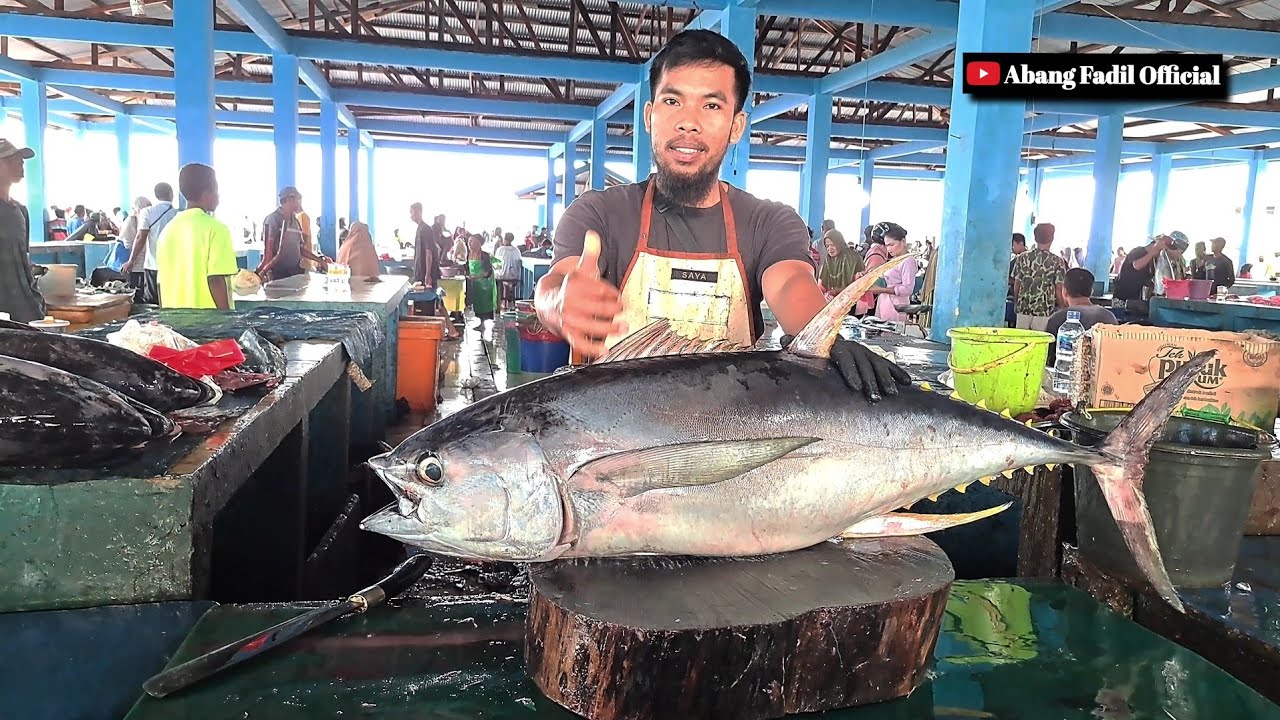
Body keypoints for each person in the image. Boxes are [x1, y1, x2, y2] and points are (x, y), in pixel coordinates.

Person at [534, 29, 908, 401]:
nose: (688, 122)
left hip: (730, 439)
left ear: (736, 126)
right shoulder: (600, 213)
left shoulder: (767, 222)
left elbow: (791, 283)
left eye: (711, 106)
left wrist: (826, 337)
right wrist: (560, 302)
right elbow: (558, 282)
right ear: (649, 116)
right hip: (609, 442)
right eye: (672, 101)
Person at [155, 163, 239, 310]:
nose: (218, 195)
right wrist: (227, 321)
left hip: (175, 325)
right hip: (208, 325)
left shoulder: (167, 231)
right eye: (216, 190)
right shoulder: (216, 229)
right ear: (207, 194)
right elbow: (215, 280)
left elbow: (161, 285)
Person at [0, 138, 47, 322]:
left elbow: (23, 259)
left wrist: (37, 298)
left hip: (26, 309)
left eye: (20, 159)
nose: (20, 163)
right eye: (11, 159)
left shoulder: (21, 211)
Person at [1044, 268, 1117, 366]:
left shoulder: (1057, 319)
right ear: (1091, 291)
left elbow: (1049, 359)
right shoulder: (1109, 317)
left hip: (1066, 376)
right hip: (1103, 376)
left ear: (1064, 291)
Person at [258, 187, 329, 282]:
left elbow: (299, 248)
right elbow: (268, 253)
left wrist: (318, 260)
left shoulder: (296, 222)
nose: (299, 202)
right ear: (288, 199)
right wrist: (267, 273)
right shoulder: (273, 219)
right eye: (298, 199)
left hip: (295, 272)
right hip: (278, 274)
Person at [123, 182, 178, 305]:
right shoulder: (178, 213)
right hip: (175, 266)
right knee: (172, 301)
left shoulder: (147, 212)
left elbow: (140, 237)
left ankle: (155, 324)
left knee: (153, 303)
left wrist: (131, 261)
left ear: (156, 195)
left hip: (154, 265)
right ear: (171, 194)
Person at [1010, 222, 1066, 331]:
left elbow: (1017, 284)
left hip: (1023, 309)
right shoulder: (1057, 261)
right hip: (1044, 311)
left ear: (1035, 238)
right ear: (1052, 238)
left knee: (1021, 342)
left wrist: (1017, 303)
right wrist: (1063, 308)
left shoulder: (1022, 258)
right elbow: (1058, 289)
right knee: (1040, 344)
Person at [866, 226, 919, 323]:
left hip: (896, 305)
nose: (889, 249)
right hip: (884, 302)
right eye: (887, 246)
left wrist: (881, 290)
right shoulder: (894, 259)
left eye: (891, 245)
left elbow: (907, 289)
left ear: (903, 241)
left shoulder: (908, 261)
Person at [116, 195, 152, 299]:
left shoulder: (145, 221)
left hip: (145, 265)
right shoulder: (131, 221)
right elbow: (128, 244)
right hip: (135, 266)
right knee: (137, 294)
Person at [817, 232, 864, 302]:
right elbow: (821, 286)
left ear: (839, 244)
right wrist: (826, 295)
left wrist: (838, 291)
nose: (830, 249)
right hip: (834, 303)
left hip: (855, 300)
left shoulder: (853, 257)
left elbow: (860, 284)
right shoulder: (828, 260)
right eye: (827, 246)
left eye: (832, 245)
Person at [465, 234, 496, 323]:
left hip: (485, 286)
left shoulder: (485, 255)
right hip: (475, 286)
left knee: (485, 307)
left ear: (478, 243)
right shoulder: (469, 255)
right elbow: (467, 268)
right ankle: (480, 324)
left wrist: (477, 277)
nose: (469, 244)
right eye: (468, 242)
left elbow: (488, 272)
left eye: (472, 241)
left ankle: (486, 325)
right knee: (477, 307)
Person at [494, 231, 523, 310]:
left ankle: (500, 301)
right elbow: (518, 264)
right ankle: (506, 301)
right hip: (515, 275)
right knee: (506, 280)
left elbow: (496, 264)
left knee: (498, 278)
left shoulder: (500, 250)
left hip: (502, 275)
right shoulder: (516, 250)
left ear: (504, 239)